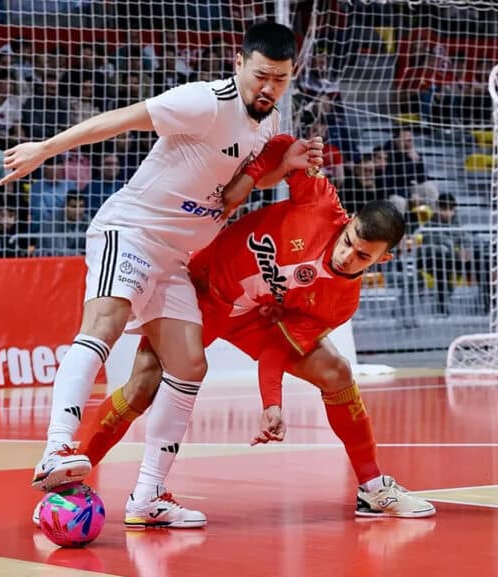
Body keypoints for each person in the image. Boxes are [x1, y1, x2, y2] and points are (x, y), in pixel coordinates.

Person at [41, 134, 436, 529]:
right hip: (202, 291)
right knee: (144, 383)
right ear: (348, 223)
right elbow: (282, 144)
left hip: (256, 318)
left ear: (383, 259)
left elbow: (278, 346)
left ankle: (372, 487)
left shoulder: (341, 303)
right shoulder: (320, 202)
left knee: (336, 371)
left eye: (363, 256)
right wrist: (263, 171)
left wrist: (271, 403)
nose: (348, 255)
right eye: (349, 241)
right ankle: (69, 478)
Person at [0, 22, 307, 520]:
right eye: (260, 76)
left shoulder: (267, 124)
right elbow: (120, 120)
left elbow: (233, 186)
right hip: (132, 231)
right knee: (104, 324)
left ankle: (148, 496)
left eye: (280, 79)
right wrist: (43, 150)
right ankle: (56, 447)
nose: (268, 88)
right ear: (238, 63)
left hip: (175, 259)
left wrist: (282, 167)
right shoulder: (204, 102)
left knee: (189, 365)